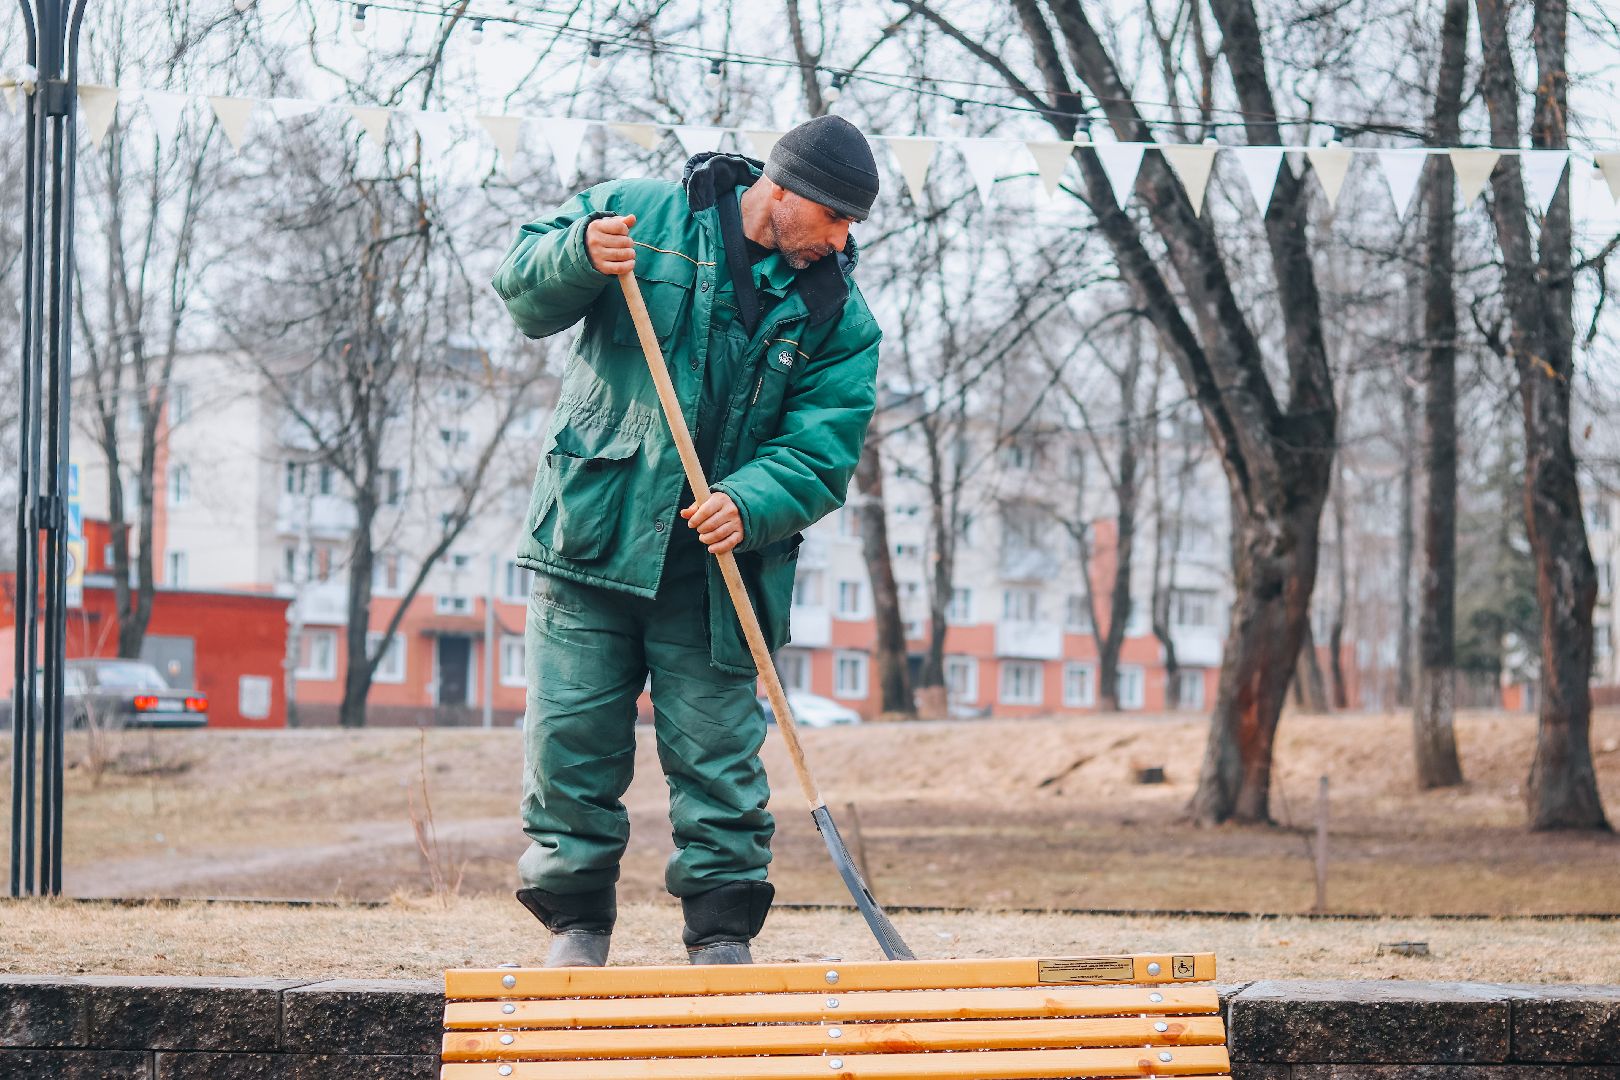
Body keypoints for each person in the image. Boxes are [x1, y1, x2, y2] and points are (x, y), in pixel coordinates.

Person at [491, 115, 883, 966]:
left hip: (719, 570)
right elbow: (521, 290)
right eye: (837, 219)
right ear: (784, 192)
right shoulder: (638, 217)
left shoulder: (839, 315)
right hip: (592, 537)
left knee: (719, 765)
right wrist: (576, 257)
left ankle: (720, 936)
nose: (844, 240)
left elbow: (824, 448)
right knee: (570, 743)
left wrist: (750, 500)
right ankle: (577, 926)